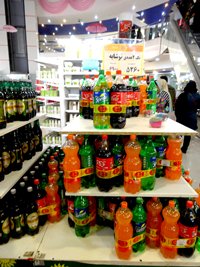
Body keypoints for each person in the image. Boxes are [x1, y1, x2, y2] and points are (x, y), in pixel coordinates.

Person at [175, 80, 200, 153]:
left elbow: (177, 106)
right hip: (191, 117)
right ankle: (184, 148)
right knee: (188, 134)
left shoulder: (182, 95)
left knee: (179, 132)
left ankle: (176, 146)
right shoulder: (198, 96)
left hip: (182, 116)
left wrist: (177, 115)